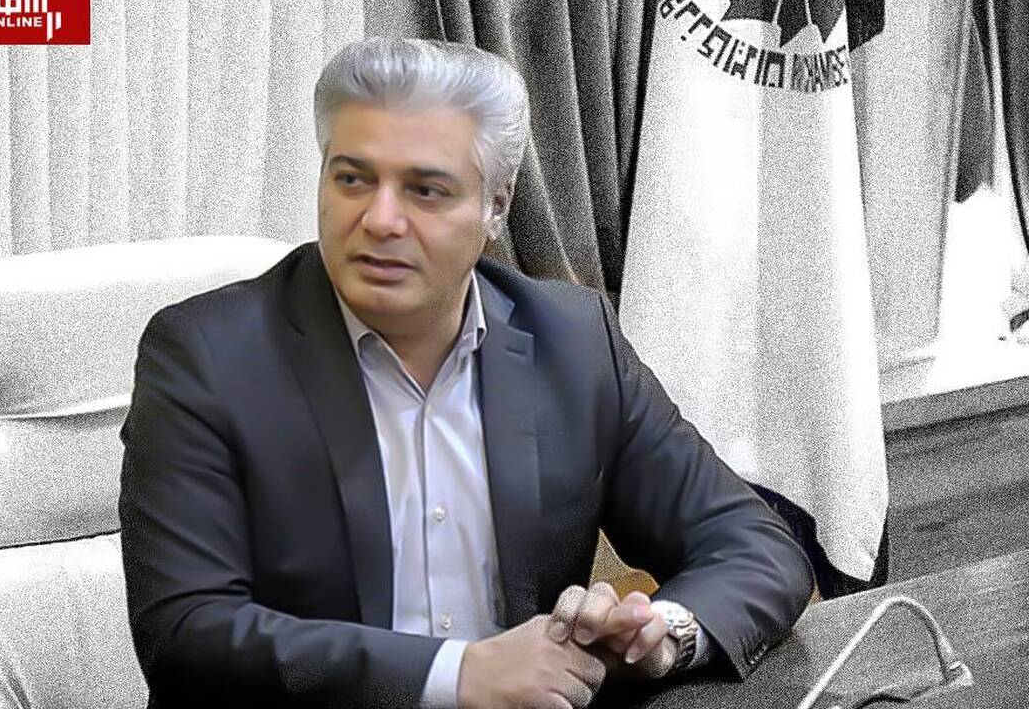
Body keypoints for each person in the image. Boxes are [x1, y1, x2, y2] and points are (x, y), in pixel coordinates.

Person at [118, 37, 814, 708]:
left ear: (496, 206)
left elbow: (754, 547)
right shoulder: (208, 354)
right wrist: (457, 675)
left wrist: (660, 634)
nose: (380, 219)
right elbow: (186, 632)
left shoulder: (571, 341)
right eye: (352, 178)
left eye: (426, 190)